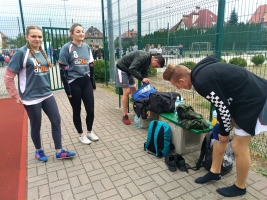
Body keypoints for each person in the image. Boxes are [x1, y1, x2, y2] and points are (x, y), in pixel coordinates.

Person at [162, 54, 267, 197]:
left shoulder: (202, 82)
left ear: (181, 80)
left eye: (177, 86)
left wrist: (225, 132)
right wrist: (223, 129)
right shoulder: (199, 72)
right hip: (241, 100)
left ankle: (240, 187)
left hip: (255, 101)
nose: (179, 89)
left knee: (238, 146)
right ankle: (215, 172)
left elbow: (222, 107)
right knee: (218, 130)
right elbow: (221, 103)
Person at [4, 25, 76, 162]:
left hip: (47, 94)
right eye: (33, 36)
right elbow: (8, 77)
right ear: (27, 37)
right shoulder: (21, 53)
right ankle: (38, 151)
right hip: (31, 98)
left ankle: (59, 151)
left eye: (39, 36)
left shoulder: (42, 52)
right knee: (36, 125)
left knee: (56, 121)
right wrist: (15, 95)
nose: (37, 39)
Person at [58, 23, 99, 145]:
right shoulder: (66, 48)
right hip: (73, 82)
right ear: (72, 34)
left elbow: (91, 65)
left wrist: (93, 82)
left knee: (90, 110)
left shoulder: (87, 47)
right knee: (77, 110)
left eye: (82, 31)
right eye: (78, 31)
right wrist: (67, 89)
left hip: (85, 81)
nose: (81, 33)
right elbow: (62, 69)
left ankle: (89, 131)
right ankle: (81, 135)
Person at [116, 50, 165, 125]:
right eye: (156, 66)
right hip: (122, 69)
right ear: (155, 60)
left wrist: (146, 80)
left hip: (129, 70)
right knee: (126, 92)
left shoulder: (148, 61)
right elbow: (132, 69)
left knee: (135, 92)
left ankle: (138, 111)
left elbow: (144, 71)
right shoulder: (143, 56)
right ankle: (125, 115)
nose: (154, 67)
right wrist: (142, 79)